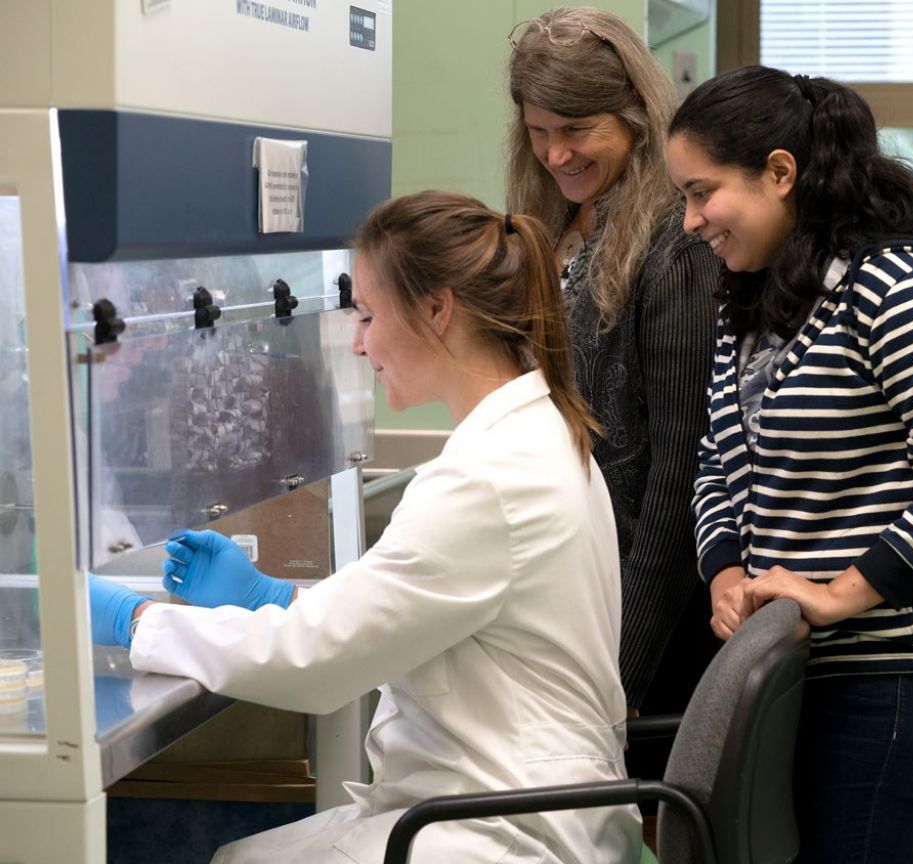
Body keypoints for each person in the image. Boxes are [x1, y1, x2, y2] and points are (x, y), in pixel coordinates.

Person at [88, 190, 642, 864]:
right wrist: (277, 599)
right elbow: (399, 611)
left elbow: (313, 667)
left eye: (369, 315)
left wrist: (135, 619)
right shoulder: (533, 431)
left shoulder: (487, 477)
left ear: (438, 309)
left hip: (507, 823)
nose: (355, 342)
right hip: (518, 795)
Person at [667, 65, 913, 864]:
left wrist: (836, 596)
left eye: (701, 192)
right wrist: (722, 570)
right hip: (798, 660)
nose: (689, 222)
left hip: (899, 671)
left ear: (780, 173)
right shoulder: (754, 300)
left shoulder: (904, 292)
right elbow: (719, 456)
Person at [505, 6, 720, 722]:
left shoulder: (676, 246)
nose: (555, 154)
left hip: (654, 606)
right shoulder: (552, 226)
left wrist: (622, 667)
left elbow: (678, 474)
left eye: (576, 130)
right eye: (538, 132)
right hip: (571, 588)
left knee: (658, 816)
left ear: (635, 120)